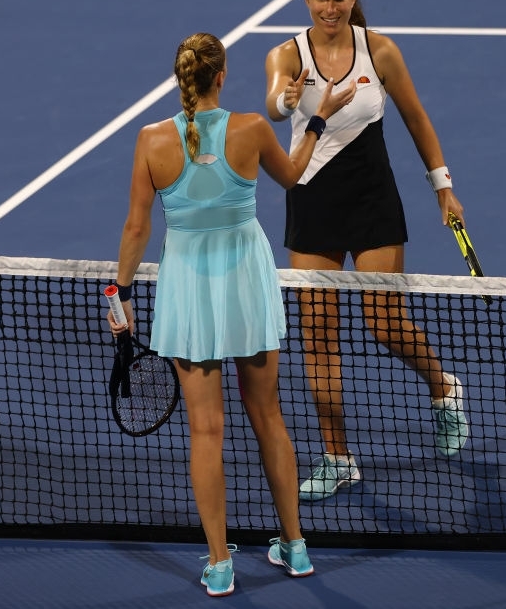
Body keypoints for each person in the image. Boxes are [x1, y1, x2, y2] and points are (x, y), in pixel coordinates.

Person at [109, 32, 356, 597]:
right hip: (246, 282)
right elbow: (295, 176)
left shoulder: (150, 141)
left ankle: (220, 563)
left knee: (206, 431)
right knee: (268, 416)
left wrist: (118, 293)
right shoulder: (250, 129)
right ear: (221, 77)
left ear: (181, 80)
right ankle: (295, 548)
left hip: (189, 293)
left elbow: (136, 228)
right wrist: (316, 117)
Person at [264, 0, 471, 502]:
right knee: (319, 339)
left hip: (373, 201)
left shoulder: (379, 51)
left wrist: (443, 186)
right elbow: (275, 102)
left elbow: (416, 117)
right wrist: (287, 99)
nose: (329, 7)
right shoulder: (285, 55)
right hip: (311, 203)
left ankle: (443, 388)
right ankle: (337, 457)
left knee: (383, 323)